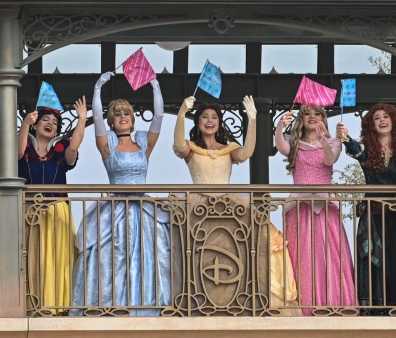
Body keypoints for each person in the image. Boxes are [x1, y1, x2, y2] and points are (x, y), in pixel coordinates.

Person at [173, 95, 299, 315]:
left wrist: (252, 120)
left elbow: (247, 153)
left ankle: (251, 295)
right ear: (199, 122)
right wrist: (182, 113)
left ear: (220, 122)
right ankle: (198, 298)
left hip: (228, 207)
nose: (209, 120)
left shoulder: (228, 148)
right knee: (195, 251)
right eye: (204, 116)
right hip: (198, 208)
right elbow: (178, 144)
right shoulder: (192, 148)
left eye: (214, 117)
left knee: (260, 240)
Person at [72, 72, 170, 315]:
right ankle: (112, 305)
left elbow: (158, 116)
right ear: (112, 121)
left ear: (132, 119)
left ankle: (148, 306)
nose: (123, 116)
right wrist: (98, 89)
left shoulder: (143, 144)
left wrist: (154, 84)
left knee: (151, 258)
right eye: (117, 114)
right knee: (112, 258)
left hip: (144, 211)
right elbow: (95, 117)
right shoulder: (107, 146)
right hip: (115, 212)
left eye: (126, 113)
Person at [338, 103, 396, 315]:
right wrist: (344, 136)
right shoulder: (366, 150)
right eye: (376, 117)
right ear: (372, 125)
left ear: (393, 121)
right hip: (373, 213)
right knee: (373, 258)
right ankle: (375, 306)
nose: (381, 120)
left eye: (385, 116)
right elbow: (353, 148)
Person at [275, 104, 356, 315]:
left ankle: (333, 304)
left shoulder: (333, 141)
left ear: (323, 118)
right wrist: (279, 126)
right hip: (300, 209)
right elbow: (281, 147)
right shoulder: (294, 143)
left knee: (329, 257)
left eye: (317, 113)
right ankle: (303, 307)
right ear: (301, 118)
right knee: (301, 257)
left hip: (325, 209)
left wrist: (324, 140)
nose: (312, 117)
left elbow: (330, 160)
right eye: (307, 114)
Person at [18, 96, 88, 315]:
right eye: (45, 119)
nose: (50, 123)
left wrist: (82, 120)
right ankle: (32, 304)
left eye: (55, 122)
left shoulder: (59, 148)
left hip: (57, 211)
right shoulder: (25, 148)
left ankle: (59, 306)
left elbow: (73, 149)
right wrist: (24, 125)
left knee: (58, 260)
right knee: (33, 259)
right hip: (31, 212)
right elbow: (17, 153)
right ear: (36, 123)